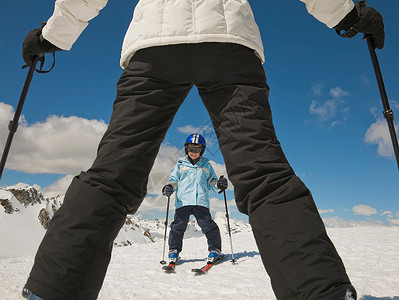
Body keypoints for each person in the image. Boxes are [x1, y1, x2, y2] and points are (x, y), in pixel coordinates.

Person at [21, 0, 384, 299]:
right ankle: (322, 293)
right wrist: (347, 13)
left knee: (112, 173)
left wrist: (52, 36)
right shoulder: (184, 163)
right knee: (263, 173)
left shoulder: (202, 165)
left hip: (154, 47)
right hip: (229, 42)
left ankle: (49, 292)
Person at [162, 134, 228, 263]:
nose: (193, 152)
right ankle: (174, 250)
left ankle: (215, 249)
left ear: (201, 150)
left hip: (201, 201)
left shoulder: (207, 165)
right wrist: (169, 187)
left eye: (197, 150)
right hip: (183, 201)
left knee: (208, 226)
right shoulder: (180, 164)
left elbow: (212, 183)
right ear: (186, 149)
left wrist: (218, 184)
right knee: (178, 227)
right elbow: (174, 180)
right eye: (191, 149)